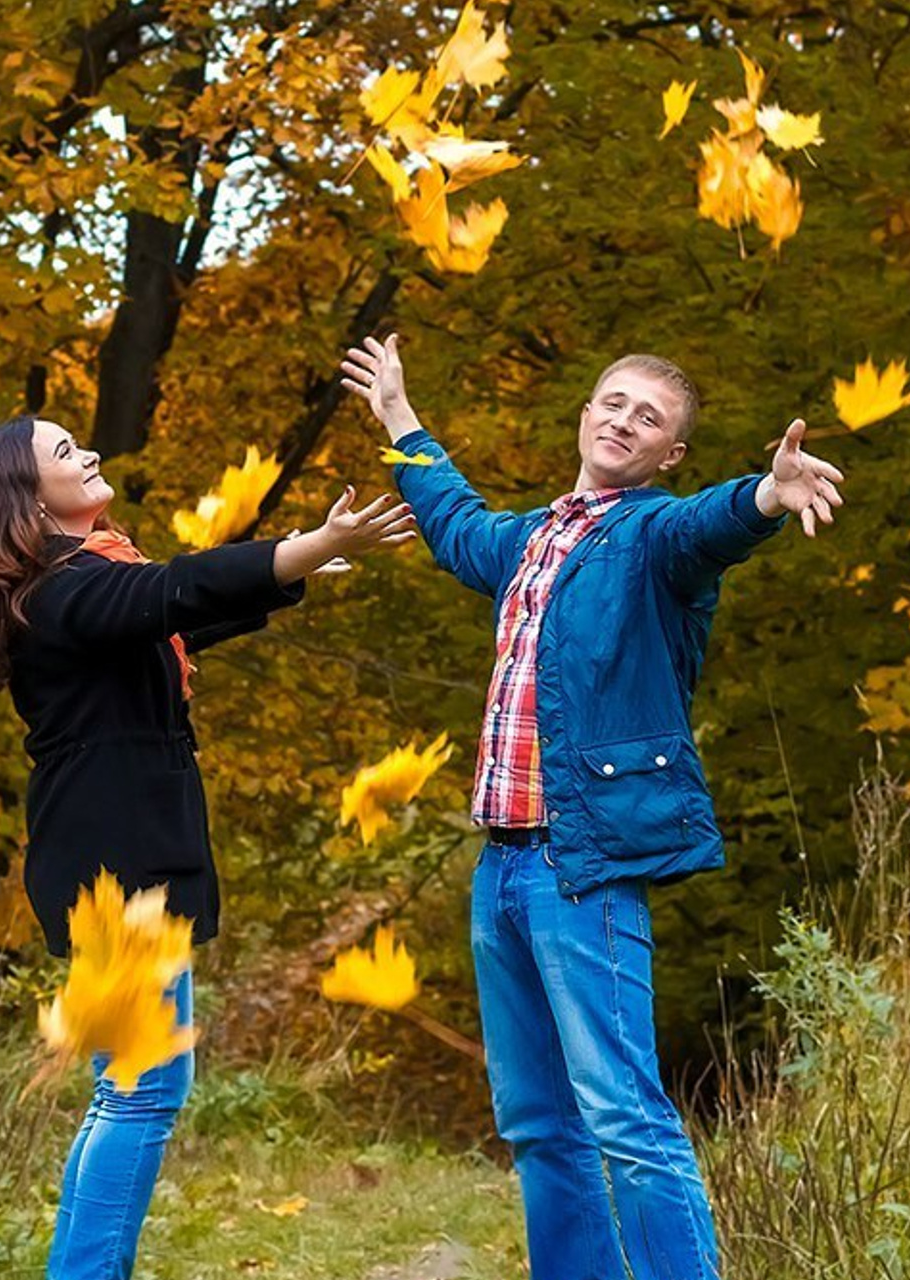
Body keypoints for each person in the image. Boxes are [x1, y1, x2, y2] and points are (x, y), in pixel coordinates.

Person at [341, 334, 845, 1280]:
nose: (623, 421)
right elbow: (456, 523)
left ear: (668, 455)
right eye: (613, 403)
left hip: (586, 868)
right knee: (538, 1123)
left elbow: (711, 526)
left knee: (622, 1114)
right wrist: (402, 421)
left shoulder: (652, 538)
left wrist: (768, 497)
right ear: (586, 413)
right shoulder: (531, 538)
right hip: (501, 868)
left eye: (647, 418)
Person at [0, 415, 415, 1280]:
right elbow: (171, 593)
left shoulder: (78, 586)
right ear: (27, 497)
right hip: (117, 864)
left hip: (117, 855)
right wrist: (299, 547)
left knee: (133, 1093)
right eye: (65, 453)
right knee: (142, 1094)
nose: (88, 455)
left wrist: (290, 572)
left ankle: (81, 1268)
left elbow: (172, 620)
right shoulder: (63, 591)